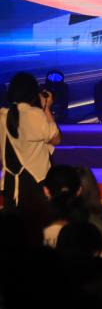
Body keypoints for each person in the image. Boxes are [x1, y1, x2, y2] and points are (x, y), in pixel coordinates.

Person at [1, 72, 61, 211]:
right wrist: (46, 108)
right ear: (33, 93)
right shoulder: (34, 114)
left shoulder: (2, 115)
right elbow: (56, 139)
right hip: (35, 183)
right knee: (36, 223)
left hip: (10, 184)